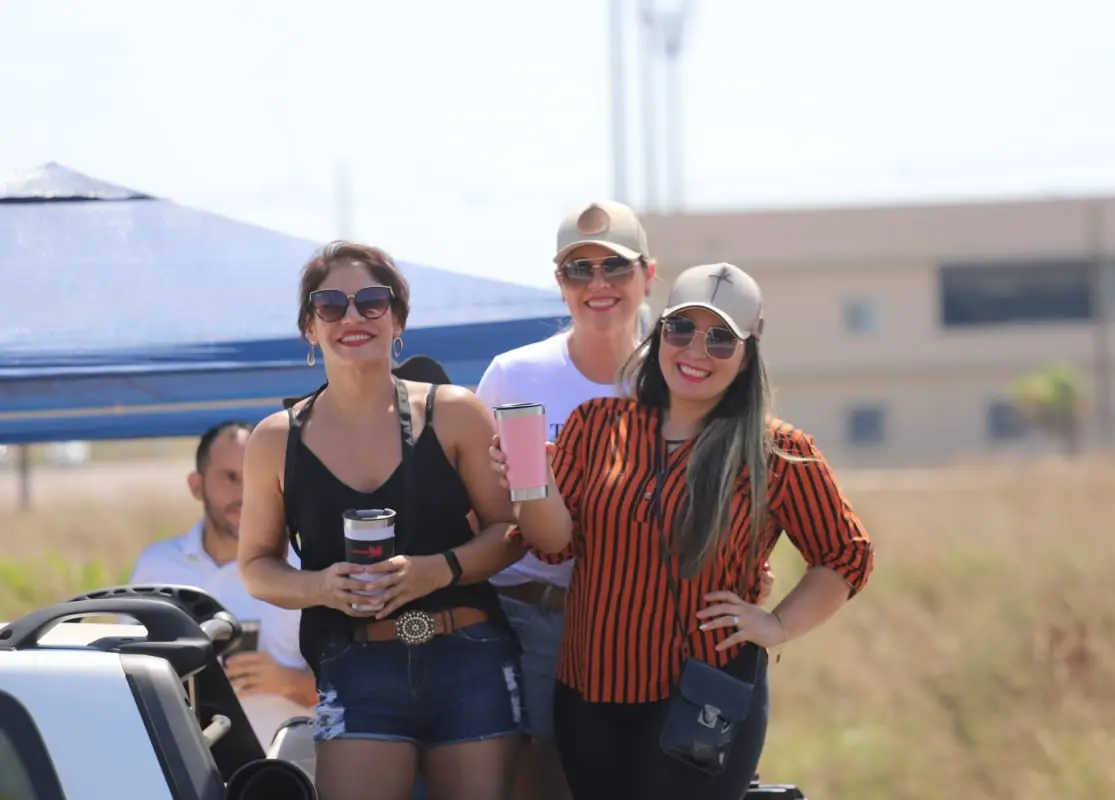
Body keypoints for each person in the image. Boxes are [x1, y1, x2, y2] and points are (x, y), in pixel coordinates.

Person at [490, 262, 875, 800]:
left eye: (721, 339)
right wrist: (531, 482)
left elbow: (845, 553)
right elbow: (554, 545)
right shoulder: (596, 424)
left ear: (747, 355)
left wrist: (777, 625)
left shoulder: (776, 450)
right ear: (660, 333)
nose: (696, 351)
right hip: (591, 689)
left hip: (703, 696)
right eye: (682, 329)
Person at [476, 201, 777, 800]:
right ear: (559, 281)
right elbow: (478, 512)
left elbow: (736, 483)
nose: (598, 284)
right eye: (578, 269)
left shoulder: (679, 371)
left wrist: (748, 573)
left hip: (650, 630)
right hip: (529, 612)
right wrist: (529, 493)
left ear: (648, 276)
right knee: (539, 777)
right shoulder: (513, 375)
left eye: (614, 266)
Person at [237, 241, 527, 800]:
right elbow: (255, 566)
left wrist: (437, 570)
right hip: (356, 663)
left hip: (468, 654)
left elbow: (511, 533)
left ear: (397, 320)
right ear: (309, 328)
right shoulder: (275, 439)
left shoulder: (455, 411)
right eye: (330, 305)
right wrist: (322, 586)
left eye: (372, 301)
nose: (352, 317)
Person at [129, 421, 317, 749]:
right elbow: (127, 676)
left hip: (287, 768)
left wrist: (287, 681)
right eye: (230, 477)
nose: (244, 493)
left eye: (254, 477)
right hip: (183, 766)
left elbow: (354, 690)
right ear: (196, 486)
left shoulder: (306, 570)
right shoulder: (155, 567)